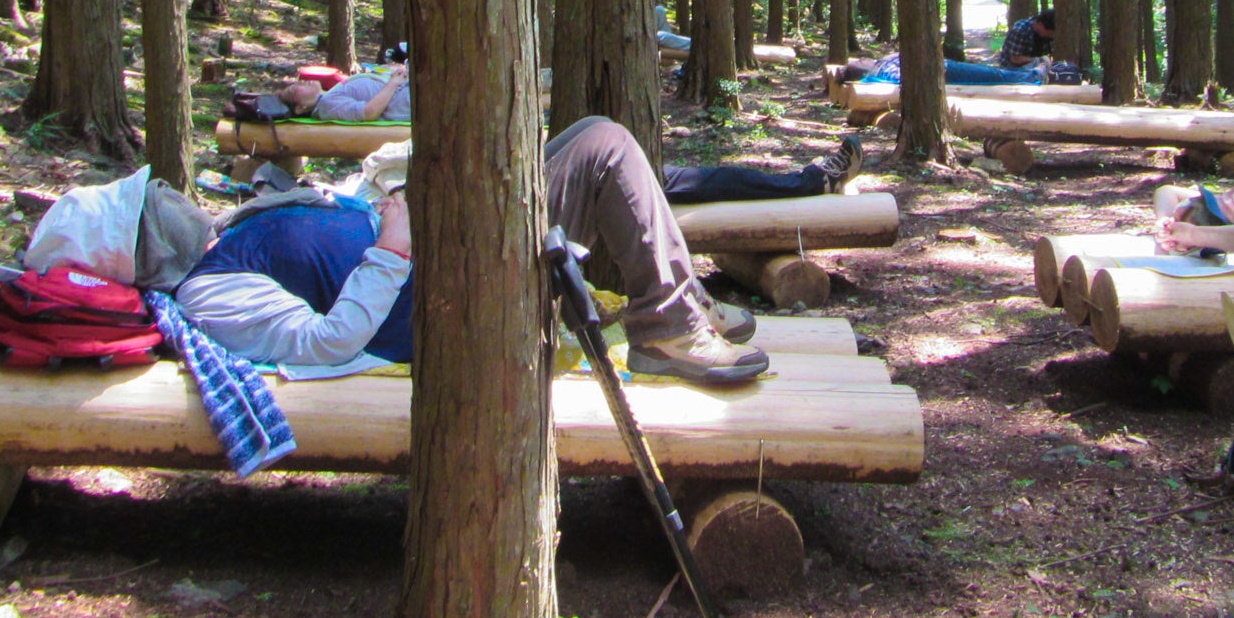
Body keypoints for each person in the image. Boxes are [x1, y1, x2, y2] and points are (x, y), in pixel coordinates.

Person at [174, 116, 771, 385]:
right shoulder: (207, 292)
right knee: (606, 147)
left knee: (587, 131)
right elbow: (327, 343)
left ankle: (680, 299)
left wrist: (383, 203)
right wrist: (391, 250)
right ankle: (668, 327)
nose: (165, 199)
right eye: (149, 212)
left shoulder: (233, 231)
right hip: (456, 294)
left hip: (450, 247)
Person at [660, 132, 862, 202]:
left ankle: (816, 181)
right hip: (653, 187)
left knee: (729, 178)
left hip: (656, 178)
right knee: (731, 180)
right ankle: (818, 183)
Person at [275, 63, 411, 123]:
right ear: (300, 108)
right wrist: (393, 83)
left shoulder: (329, 95)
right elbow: (369, 113)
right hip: (407, 99)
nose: (299, 82)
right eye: (294, 89)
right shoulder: (327, 105)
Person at [850, 50, 1043, 87]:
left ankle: (1028, 73)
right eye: (861, 60)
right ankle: (1033, 76)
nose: (864, 58)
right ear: (862, 68)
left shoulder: (881, 64)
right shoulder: (881, 70)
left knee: (989, 72)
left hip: (943, 66)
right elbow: (903, 77)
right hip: (945, 71)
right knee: (992, 76)